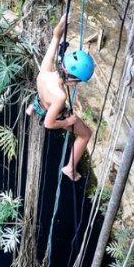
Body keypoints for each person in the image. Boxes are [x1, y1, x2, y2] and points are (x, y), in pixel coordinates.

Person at [26, 14, 95, 181]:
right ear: (71, 80)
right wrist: (67, 122)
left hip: (41, 99)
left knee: (42, 97)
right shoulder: (60, 96)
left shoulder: (46, 69)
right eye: (78, 81)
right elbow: (49, 124)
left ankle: (31, 108)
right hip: (52, 111)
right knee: (86, 134)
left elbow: (55, 38)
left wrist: (60, 27)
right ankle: (70, 168)